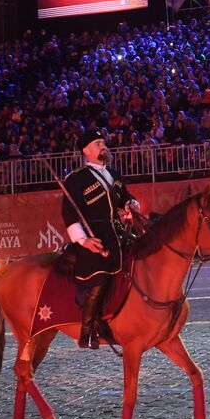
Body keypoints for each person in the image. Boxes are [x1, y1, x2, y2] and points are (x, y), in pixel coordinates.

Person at [60, 129, 143, 349]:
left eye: (103, 143)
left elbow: (125, 198)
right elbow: (69, 213)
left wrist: (131, 204)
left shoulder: (114, 175)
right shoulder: (77, 178)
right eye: (97, 144)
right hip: (93, 238)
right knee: (101, 277)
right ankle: (87, 331)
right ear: (86, 151)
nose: (102, 146)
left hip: (116, 233)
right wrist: (83, 240)